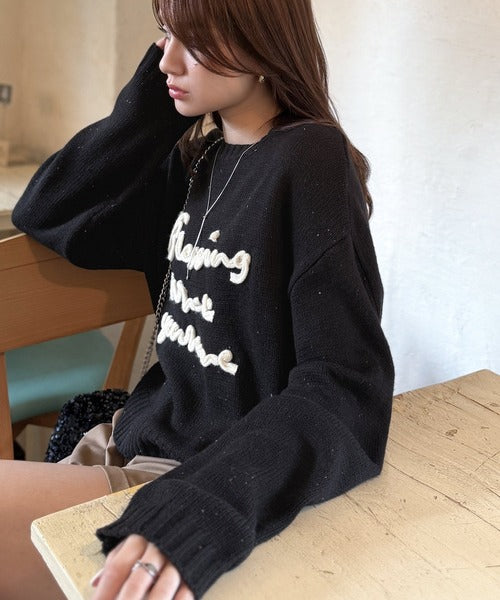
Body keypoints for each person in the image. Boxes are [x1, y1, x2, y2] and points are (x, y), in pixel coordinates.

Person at [3, 0, 394, 598]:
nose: (167, 61)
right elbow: (45, 210)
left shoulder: (309, 159)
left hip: (201, 475)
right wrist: (159, 106)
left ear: (260, 39)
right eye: (165, 33)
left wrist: (201, 507)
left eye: (198, 40)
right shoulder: (199, 159)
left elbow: (346, 385)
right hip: (125, 437)